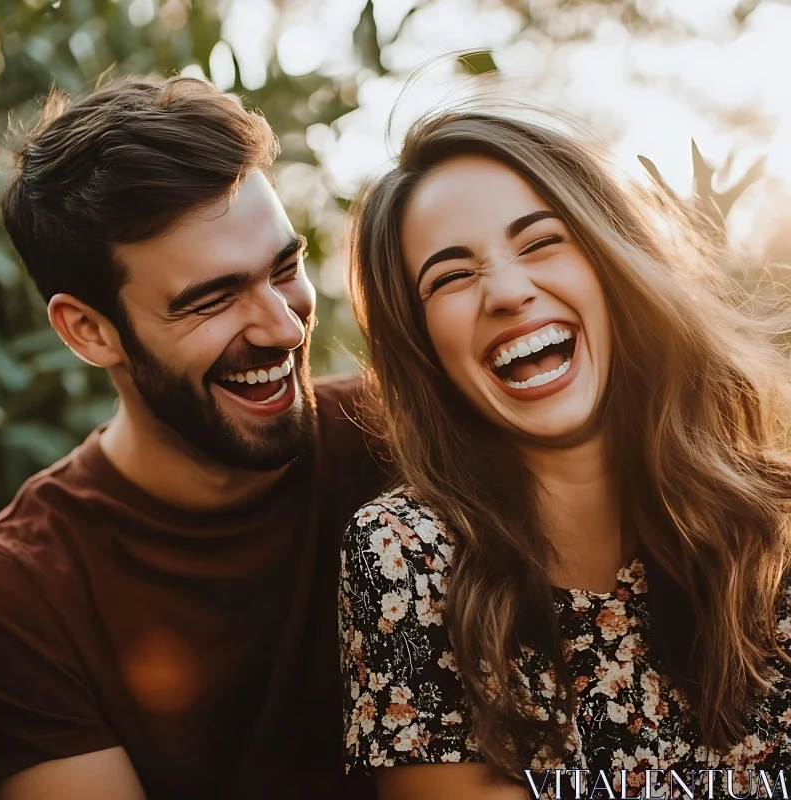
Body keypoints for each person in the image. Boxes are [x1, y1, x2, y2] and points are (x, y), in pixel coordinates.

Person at [339, 111, 791, 800]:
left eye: (542, 241)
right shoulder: (405, 555)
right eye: (452, 276)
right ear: (423, 345)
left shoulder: (776, 524)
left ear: (613, 262)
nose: (509, 292)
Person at [0, 75, 386, 800]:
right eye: (212, 300)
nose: (286, 327)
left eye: (285, 270)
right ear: (88, 331)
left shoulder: (404, 440)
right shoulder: (21, 598)